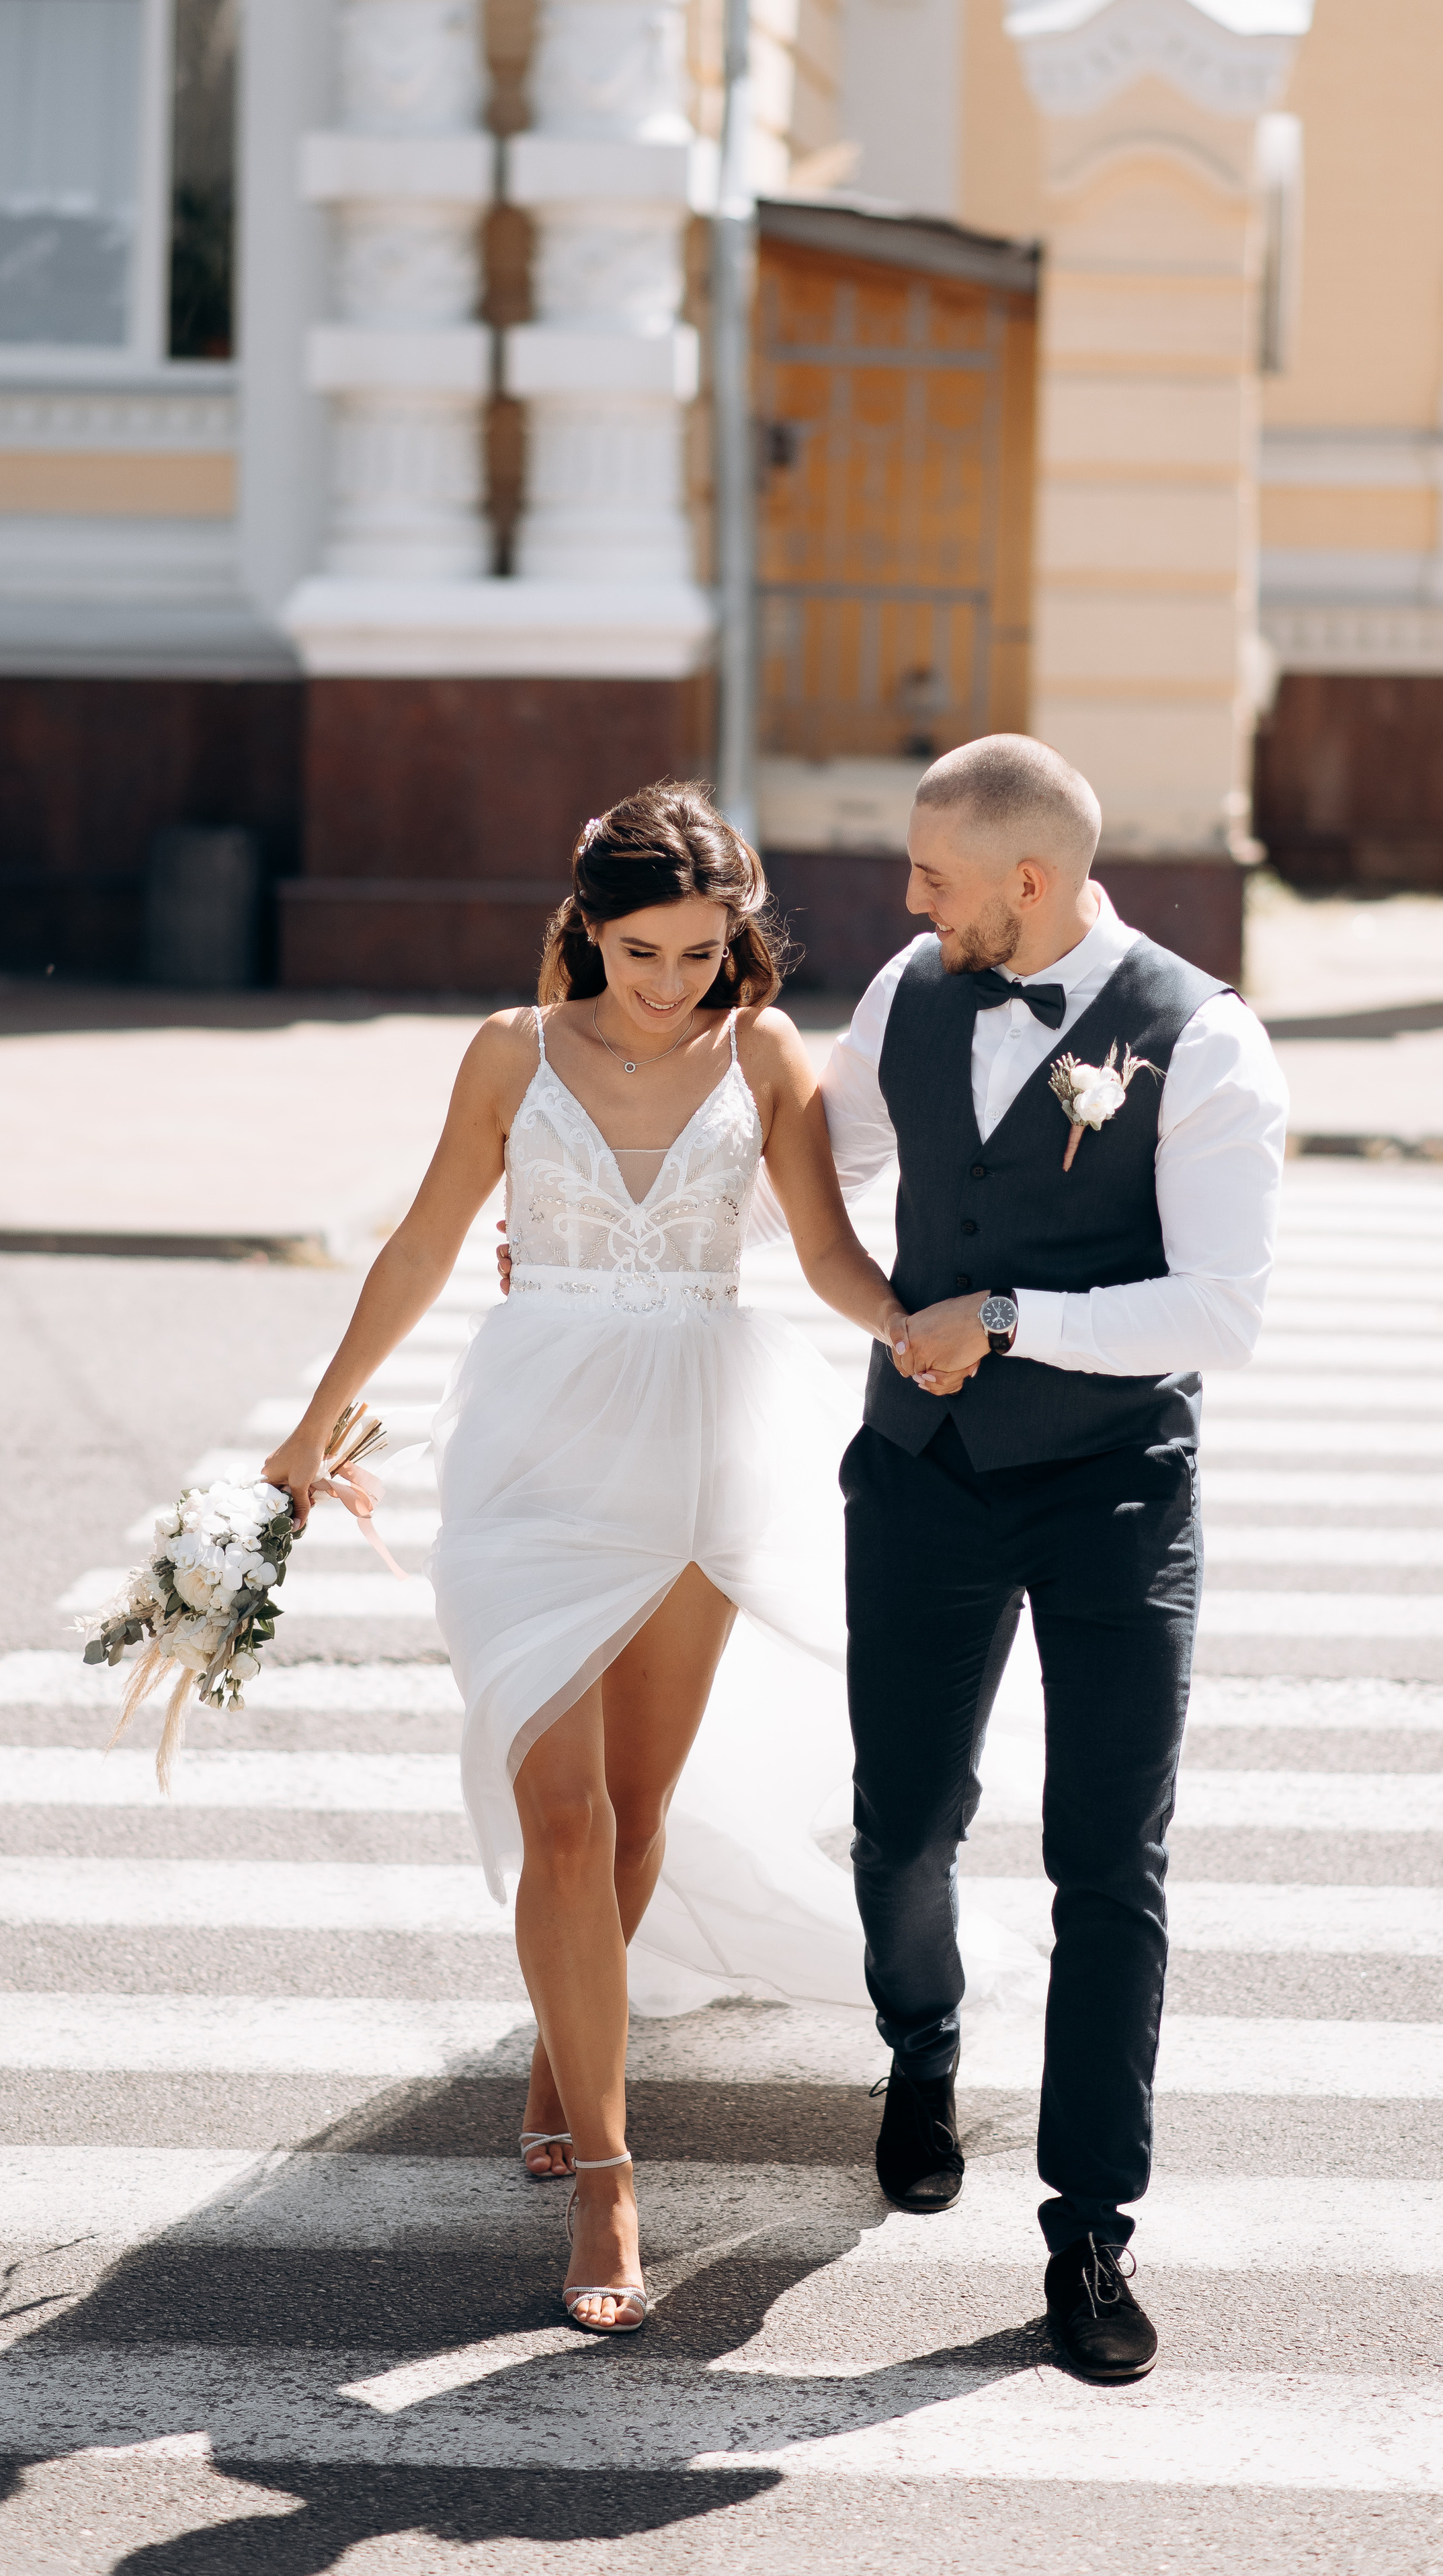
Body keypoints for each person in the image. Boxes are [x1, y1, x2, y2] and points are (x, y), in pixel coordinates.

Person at [262, 781, 962, 2337]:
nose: (670, 982)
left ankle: (562, 2046)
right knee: (563, 1819)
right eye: (642, 951)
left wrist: (904, 1327)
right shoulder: (509, 1054)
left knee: (635, 1811)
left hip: (697, 1447)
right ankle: (607, 2173)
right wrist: (312, 1429)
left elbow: (824, 1250)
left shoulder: (761, 1055)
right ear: (587, 928)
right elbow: (424, 1243)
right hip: (527, 1455)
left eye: (701, 953)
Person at [820, 733, 1288, 2383]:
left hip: (1111, 1495)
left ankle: (1089, 2228)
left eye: (931, 875)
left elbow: (1219, 1312)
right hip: (923, 1475)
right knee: (902, 1820)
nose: (908, 901)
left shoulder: (1204, 1039)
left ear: (1027, 881)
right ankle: (920, 2048)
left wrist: (1010, 1316)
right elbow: (822, 1163)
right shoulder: (907, 992)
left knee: (1106, 1863)